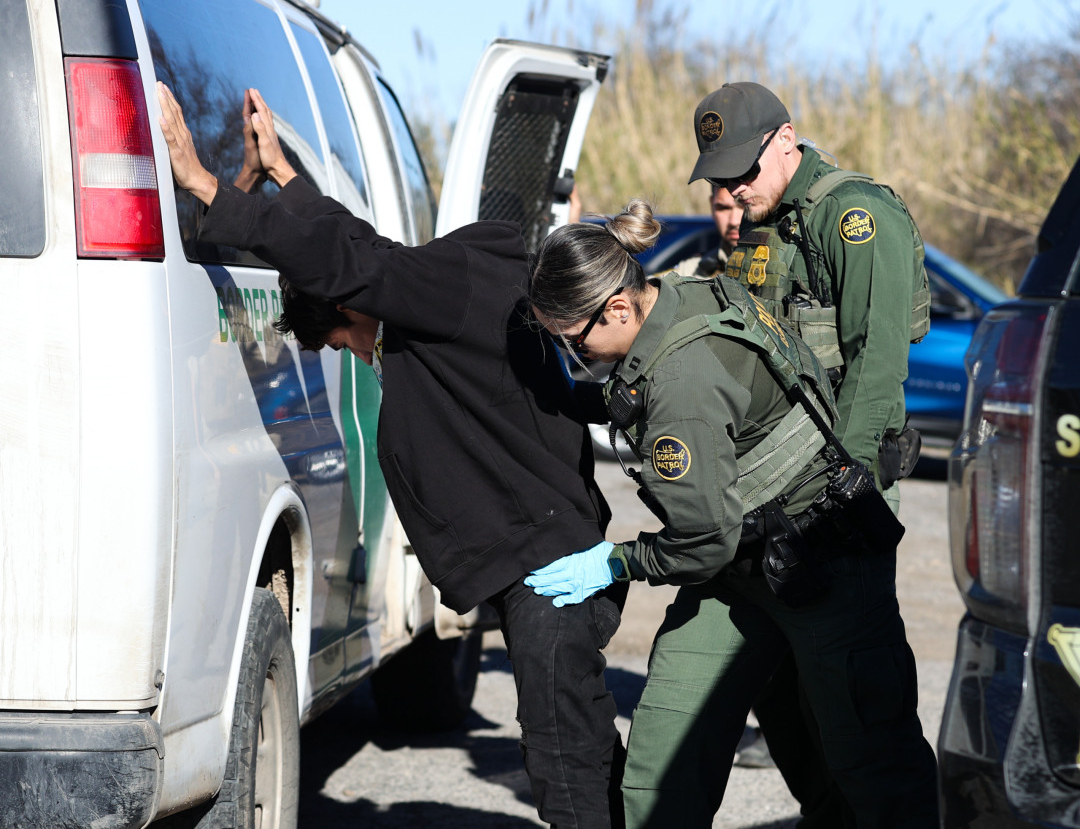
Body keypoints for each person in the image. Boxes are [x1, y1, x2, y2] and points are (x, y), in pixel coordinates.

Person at [157, 82, 627, 829]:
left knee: (567, 765)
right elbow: (362, 250)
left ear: (351, 307)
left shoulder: (435, 296)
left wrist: (210, 188)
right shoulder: (439, 288)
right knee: (584, 751)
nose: (361, 354)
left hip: (550, 573)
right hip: (544, 558)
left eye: (348, 341)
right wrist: (286, 176)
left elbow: (357, 262)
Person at [525, 198, 939, 828]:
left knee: (874, 764)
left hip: (823, 564)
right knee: (663, 765)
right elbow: (641, 396)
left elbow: (702, 541)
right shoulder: (680, 295)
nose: (575, 355)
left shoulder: (682, 385)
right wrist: (572, 397)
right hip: (745, 568)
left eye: (572, 342)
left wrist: (615, 561)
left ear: (616, 307)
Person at [691, 81, 935, 825]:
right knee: (788, 703)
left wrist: (843, 492)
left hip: (837, 499)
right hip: (764, 500)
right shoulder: (760, 229)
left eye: (744, 170)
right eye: (721, 177)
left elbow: (875, 361)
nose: (733, 190)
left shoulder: (854, 217)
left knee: (861, 707)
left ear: (786, 141)